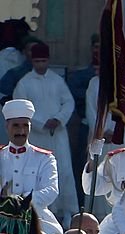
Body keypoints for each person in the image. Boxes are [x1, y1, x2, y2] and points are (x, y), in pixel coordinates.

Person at [13, 42, 76, 223]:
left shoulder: (57, 80)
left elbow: (68, 102)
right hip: (37, 135)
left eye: (44, 61)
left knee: (63, 170)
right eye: (37, 61)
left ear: (48, 60)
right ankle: (43, 210)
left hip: (57, 134)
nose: (41, 65)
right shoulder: (24, 83)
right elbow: (21, 108)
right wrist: (40, 123)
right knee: (40, 172)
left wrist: (58, 119)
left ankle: (66, 212)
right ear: (32, 61)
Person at [0, 99, 64, 234]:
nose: (21, 131)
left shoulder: (44, 158)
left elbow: (51, 190)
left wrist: (23, 200)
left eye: (25, 126)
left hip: (36, 217)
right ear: (7, 126)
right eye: (16, 125)